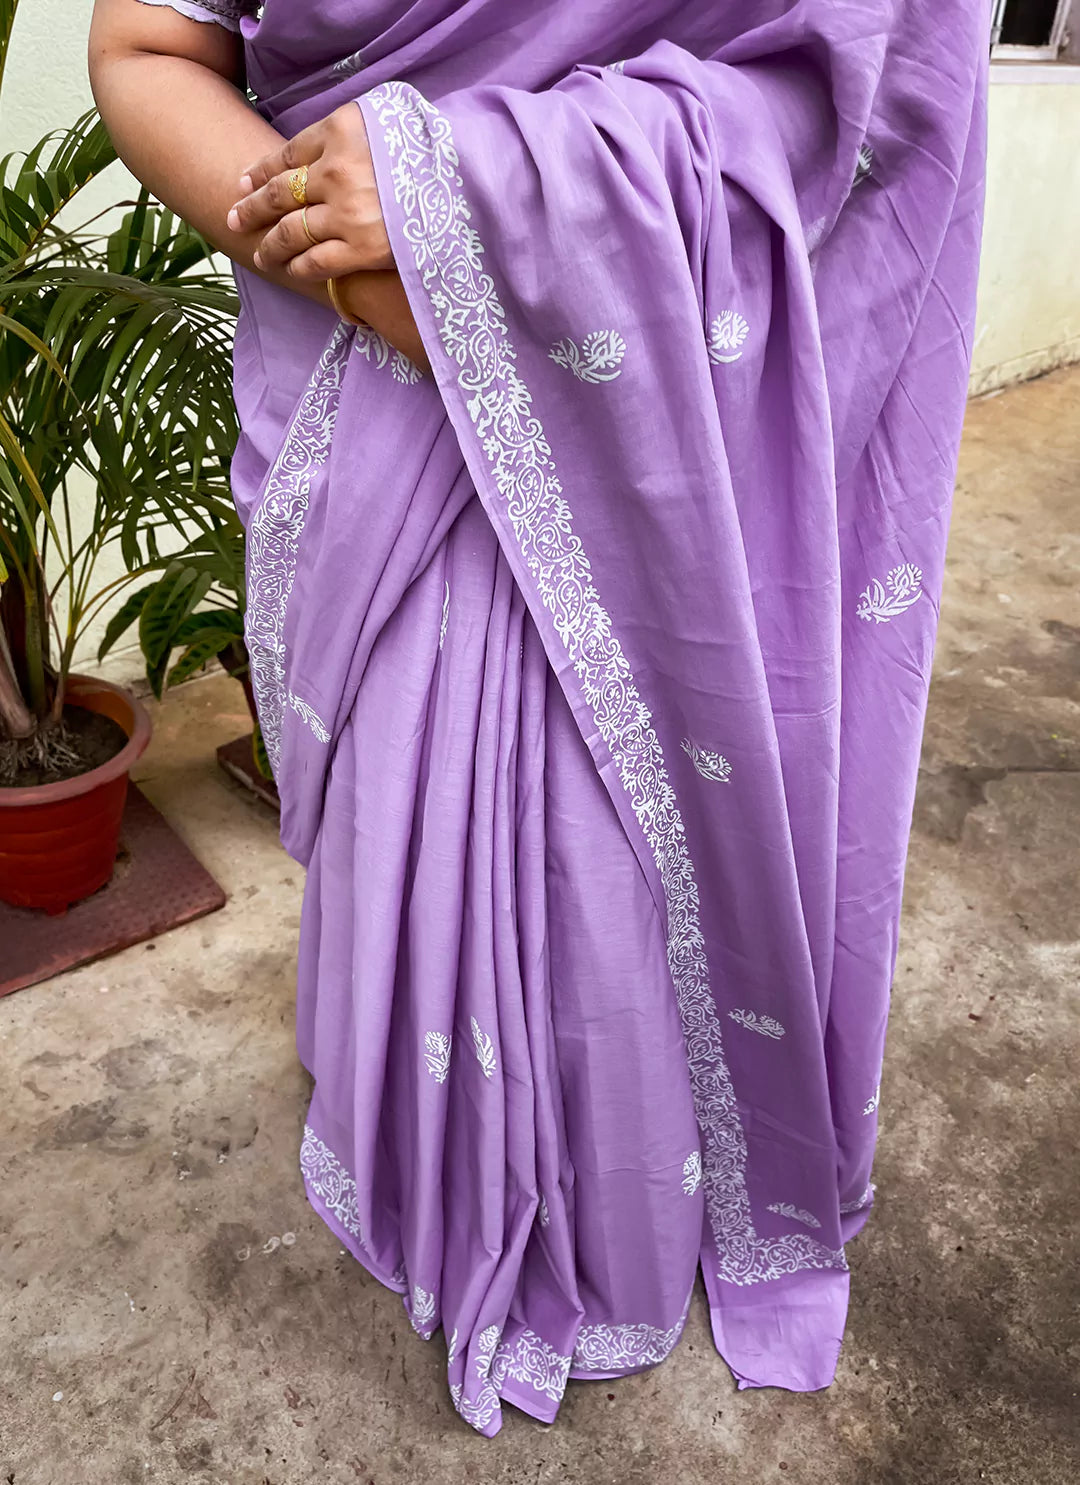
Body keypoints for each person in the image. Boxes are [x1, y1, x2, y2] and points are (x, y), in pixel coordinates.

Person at [89, 0, 988, 1436]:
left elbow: (879, 82)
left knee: (626, 852)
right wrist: (376, 282)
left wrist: (484, 205)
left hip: (657, 401)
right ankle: (432, 1151)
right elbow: (145, 51)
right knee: (412, 805)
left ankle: (637, 1191)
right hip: (362, 375)